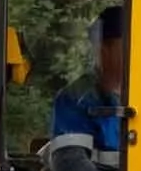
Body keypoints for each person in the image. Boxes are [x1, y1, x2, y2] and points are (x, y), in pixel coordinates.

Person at [48, 9, 136, 154]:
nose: (137, 54)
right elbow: (73, 167)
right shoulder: (74, 101)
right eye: (129, 46)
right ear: (103, 50)